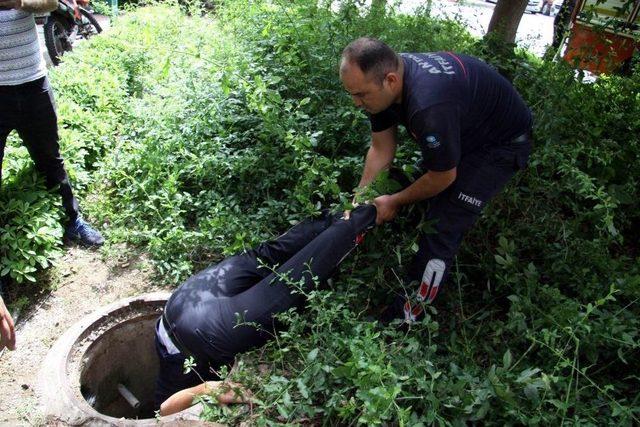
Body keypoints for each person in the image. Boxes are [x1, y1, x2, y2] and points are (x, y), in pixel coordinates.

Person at [340, 38, 532, 323]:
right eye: (352, 94)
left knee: (442, 226)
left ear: (390, 81)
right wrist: (360, 199)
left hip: (498, 147)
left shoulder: (428, 104)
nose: (357, 103)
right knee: (405, 186)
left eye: (361, 95)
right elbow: (381, 148)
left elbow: (443, 176)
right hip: (461, 126)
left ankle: (407, 319)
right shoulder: (387, 78)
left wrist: (393, 202)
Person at [154, 205, 377, 411]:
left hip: (204, 334)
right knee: (268, 255)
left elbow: (163, 411)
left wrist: (209, 389)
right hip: (179, 304)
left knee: (288, 285)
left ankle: (367, 214)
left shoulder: (166, 395)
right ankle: (356, 203)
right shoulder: (163, 381)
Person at [0, 0, 104, 247]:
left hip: (34, 86)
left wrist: (17, 2)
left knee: (50, 157)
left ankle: (74, 221)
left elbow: (50, 3)